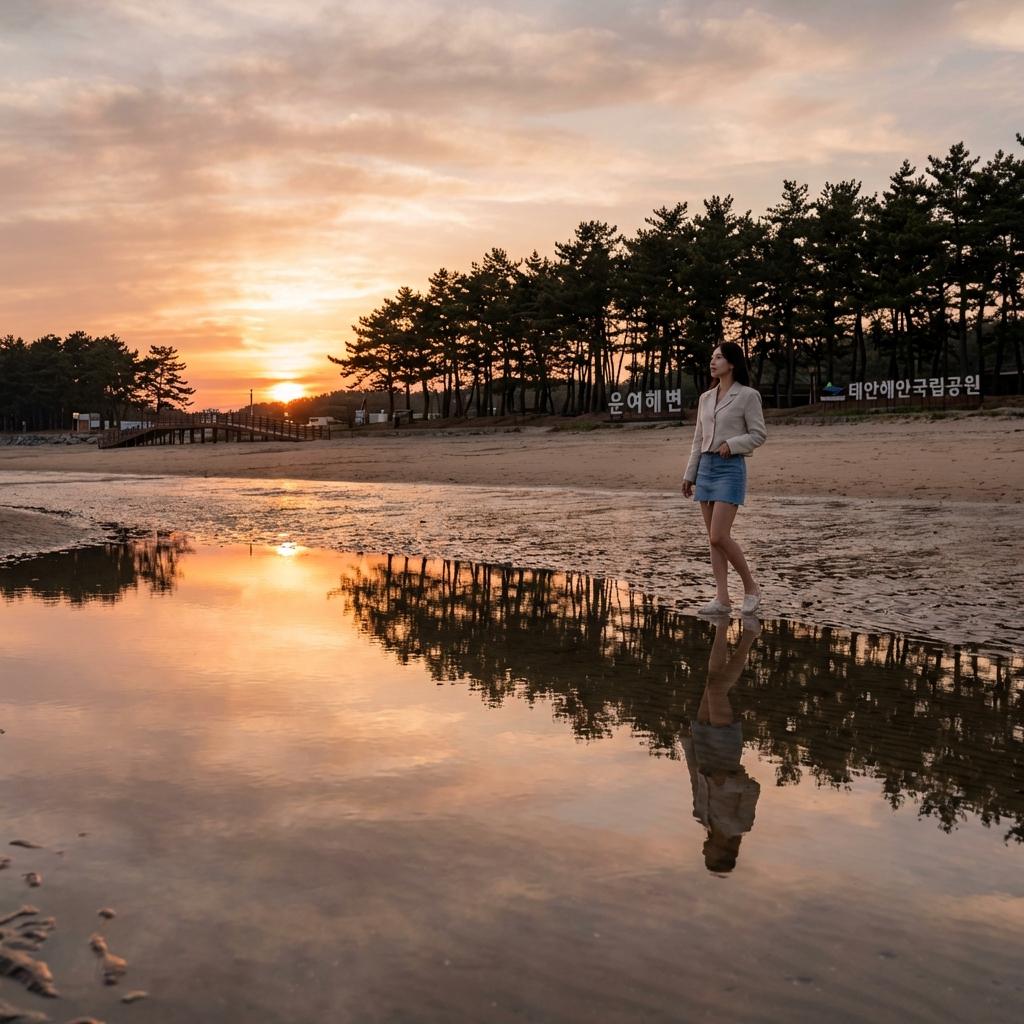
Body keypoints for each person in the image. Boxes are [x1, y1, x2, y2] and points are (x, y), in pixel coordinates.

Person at [681, 342, 767, 616]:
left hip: (730, 468)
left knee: (720, 535)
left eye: (719, 357)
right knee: (712, 539)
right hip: (705, 467)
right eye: (712, 357)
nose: (713, 362)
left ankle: (751, 588)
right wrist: (689, 474)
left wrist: (733, 443)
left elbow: (758, 434)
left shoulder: (748, 396)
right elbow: (698, 440)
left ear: (732, 363)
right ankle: (722, 599)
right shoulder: (706, 398)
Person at [681, 615, 762, 873]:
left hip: (703, 746)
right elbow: (752, 789)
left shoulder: (701, 817)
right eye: (709, 856)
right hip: (725, 752)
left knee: (711, 681)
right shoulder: (741, 825)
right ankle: (749, 636)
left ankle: (722, 626)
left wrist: (686, 744)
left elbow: (695, 779)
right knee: (717, 690)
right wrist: (725, 782)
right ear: (724, 852)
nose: (704, 849)